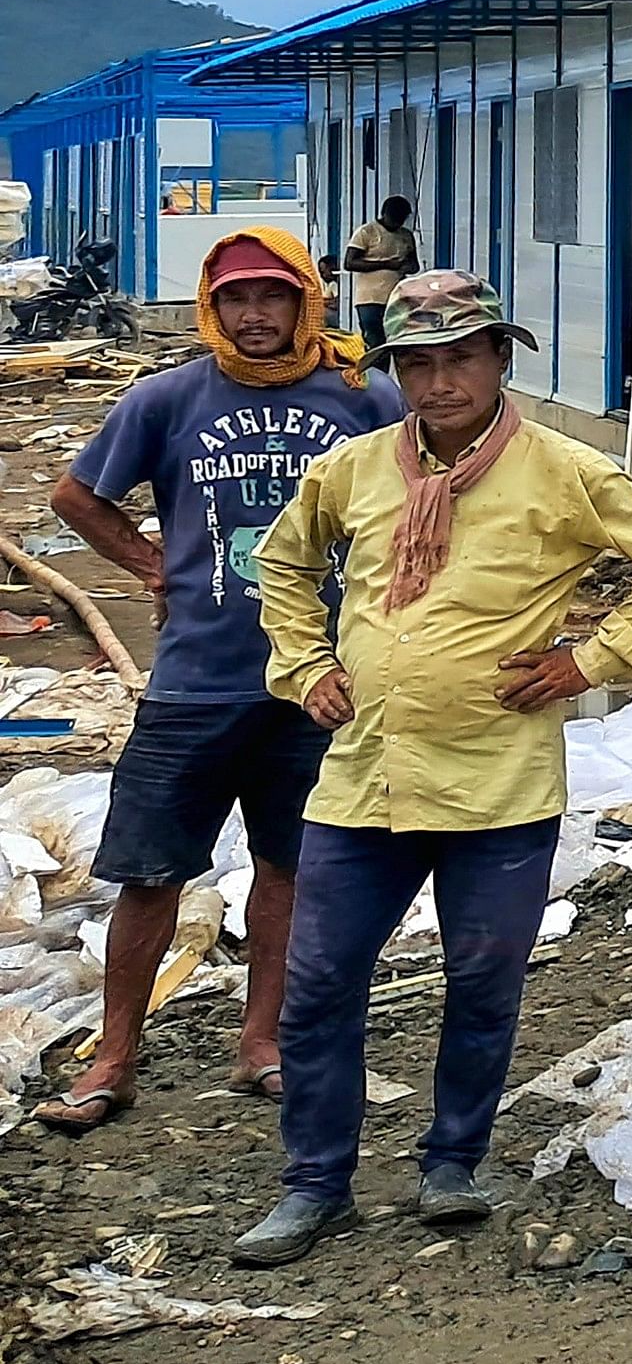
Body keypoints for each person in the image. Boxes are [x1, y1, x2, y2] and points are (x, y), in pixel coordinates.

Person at [231, 270, 632, 1267]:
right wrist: (306, 661)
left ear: (501, 358)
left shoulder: (561, 471)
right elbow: (281, 562)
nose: (440, 379)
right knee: (318, 986)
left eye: (461, 356)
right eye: (418, 361)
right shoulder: (355, 470)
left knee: (482, 979)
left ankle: (453, 1160)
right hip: (365, 777)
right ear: (396, 370)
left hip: (497, 782)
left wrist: (590, 659)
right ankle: (314, 1182)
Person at [32, 230, 404, 1134]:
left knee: (293, 866)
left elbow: (427, 493)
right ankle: (113, 1058)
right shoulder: (167, 398)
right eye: (236, 299)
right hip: (195, 682)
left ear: (305, 303)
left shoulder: (365, 396)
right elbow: (76, 497)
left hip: (317, 682)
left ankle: (263, 1043)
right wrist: (152, 565)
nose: (255, 316)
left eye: (274, 297)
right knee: (149, 874)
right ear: (211, 306)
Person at [342, 195, 420, 351]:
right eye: (395, 218)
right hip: (370, 298)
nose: (398, 222)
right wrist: (386, 264)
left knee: (399, 341)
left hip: (397, 297)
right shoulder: (367, 232)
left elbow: (414, 265)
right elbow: (350, 263)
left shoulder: (406, 235)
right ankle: (374, 374)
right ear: (384, 214)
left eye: (402, 219)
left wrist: (405, 267)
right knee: (375, 342)